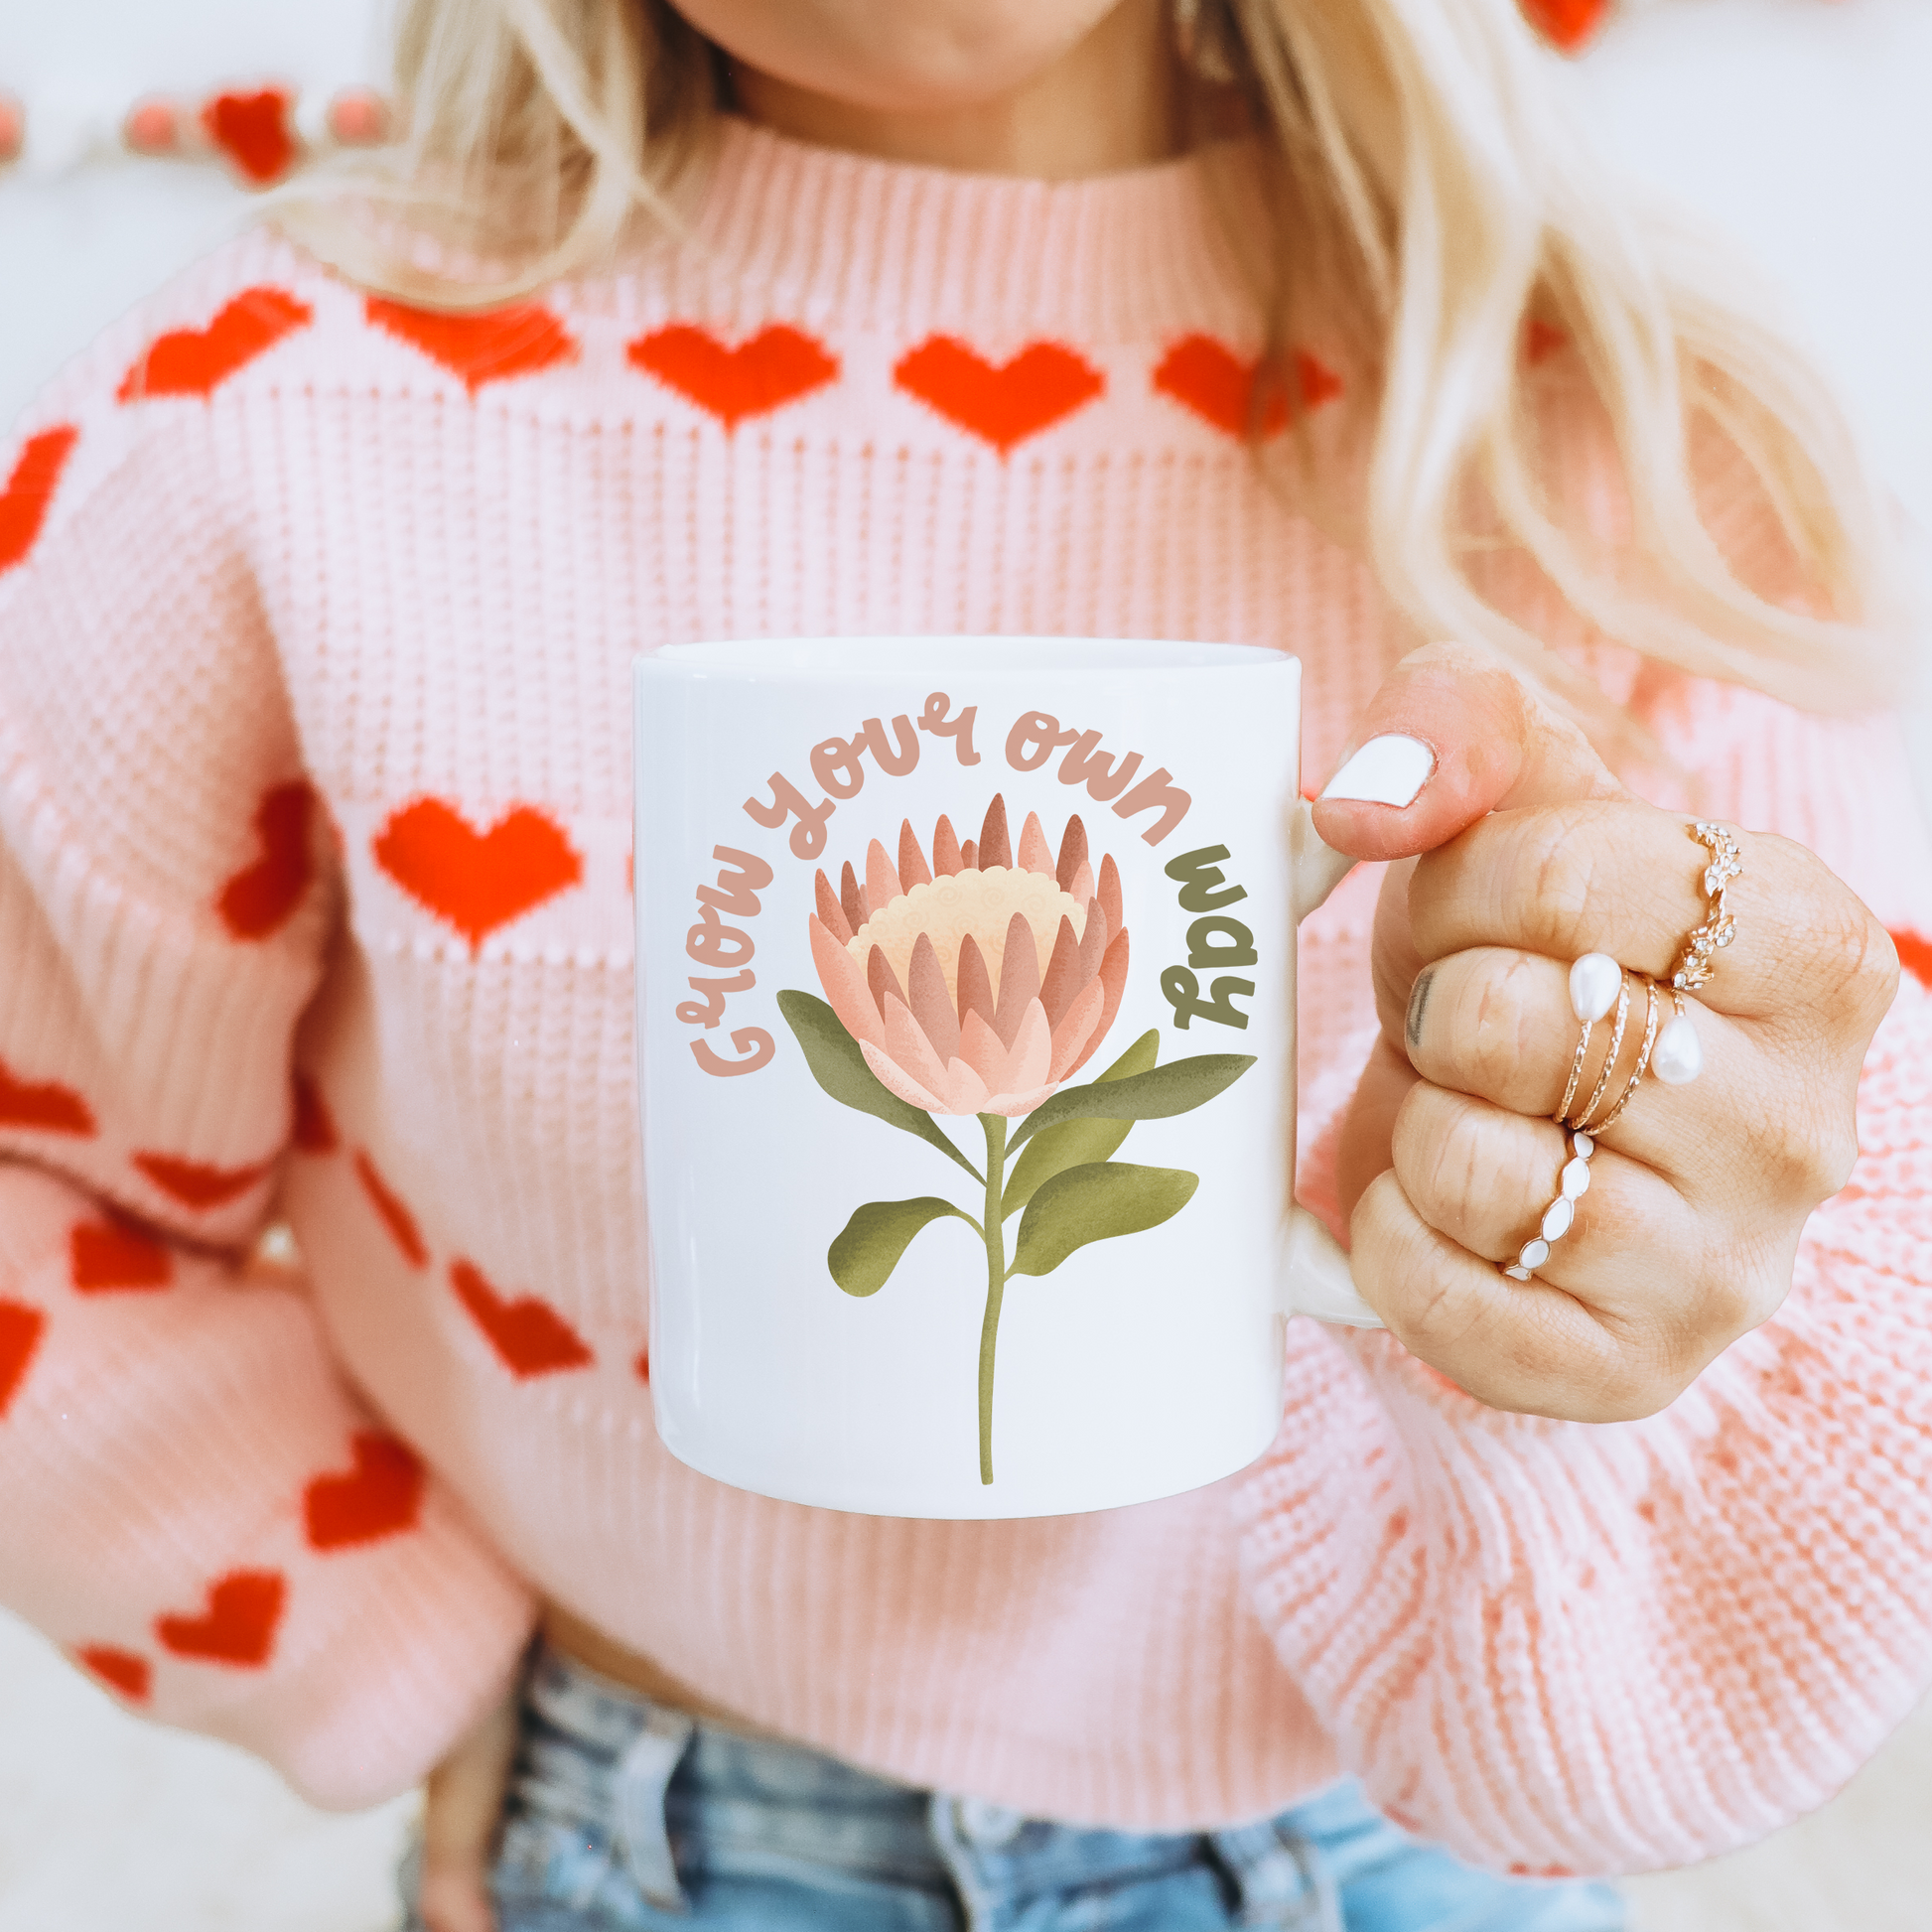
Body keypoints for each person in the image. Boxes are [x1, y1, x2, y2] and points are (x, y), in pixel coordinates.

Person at [1, 0, 1927, 1927]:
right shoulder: (257, 415)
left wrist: (1610, 1300)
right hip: (666, 1843)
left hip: (1414, 1859)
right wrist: (372, 1642)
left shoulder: (1615, 426)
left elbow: (1748, 1572)